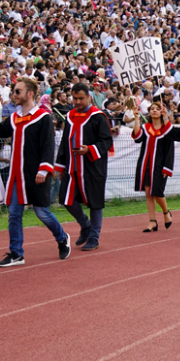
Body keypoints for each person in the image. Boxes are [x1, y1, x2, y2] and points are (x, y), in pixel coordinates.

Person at [0, 77, 69, 267]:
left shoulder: (43, 117)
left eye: (18, 91)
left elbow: (48, 146)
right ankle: (16, 253)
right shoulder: (15, 118)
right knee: (14, 213)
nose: (14, 95)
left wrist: (44, 169)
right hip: (17, 175)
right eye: (13, 91)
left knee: (41, 213)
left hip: (36, 174)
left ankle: (61, 237)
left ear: (30, 93)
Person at [55, 83, 113, 252]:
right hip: (72, 168)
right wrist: (59, 166)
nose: (78, 102)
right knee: (66, 199)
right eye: (75, 98)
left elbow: (106, 141)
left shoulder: (98, 116)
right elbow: (65, 143)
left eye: (81, 98)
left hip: (93, 167)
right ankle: (85, 224)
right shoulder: (70, 116)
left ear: (89, 97)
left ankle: (94, 237)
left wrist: (90, 149)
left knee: (95, 203)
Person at [131, 101, 176, 232]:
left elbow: (170, 150)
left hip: (159, 166)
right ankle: (152, 221)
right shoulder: (146, 128)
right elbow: (137, 137)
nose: (154, 110)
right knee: (148, 193)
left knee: (157, 191)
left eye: (157, 108)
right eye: (152, 109)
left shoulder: (166, 129)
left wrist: (167, 168)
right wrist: (136, 118)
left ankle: (166, 212)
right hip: (146, 163)